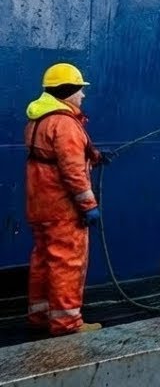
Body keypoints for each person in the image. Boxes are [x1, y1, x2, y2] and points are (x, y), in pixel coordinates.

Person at [25, 63, 114, 336]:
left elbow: (52, 157)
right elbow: (72, 171)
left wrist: (95, 156)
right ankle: (66, 323)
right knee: (67, 263)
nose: (83, 96)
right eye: (79, 90)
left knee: (43, 260)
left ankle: (41, 315)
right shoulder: (65, 123)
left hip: (40, 205)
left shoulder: (39, 120)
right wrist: (89, 206)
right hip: (63, 208)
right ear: (68, 91)